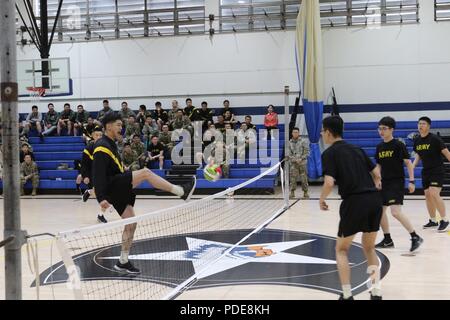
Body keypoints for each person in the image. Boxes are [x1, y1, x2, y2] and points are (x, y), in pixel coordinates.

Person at [92, 112, 196, 273]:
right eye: (118, 125)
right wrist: (101, 198)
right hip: (113, 186)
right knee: (146, 173)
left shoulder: (112, 144)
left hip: (117, 187)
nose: (121, 127)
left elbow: (109, 168)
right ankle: (181, 191)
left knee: (131, 224)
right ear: (108, 126)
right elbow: (97, 174)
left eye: (121, 125)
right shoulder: (101, 145)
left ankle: (122, 261)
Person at [319, 116, 383, 300]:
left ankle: (347, 295)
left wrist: (322, 199)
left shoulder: (329, 153)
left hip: (354, 203)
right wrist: (377, 183)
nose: (322, 135)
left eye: (323, 131)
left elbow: (329, 182)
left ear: (329, 133)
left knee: (341, 249)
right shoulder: (357, 149)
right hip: (374, 201)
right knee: (369, 248)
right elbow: (376, 173)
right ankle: (376, 291)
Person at [375, 117, 423, 251]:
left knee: (395, 212)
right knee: (380, 211)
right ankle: (387, 239)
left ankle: (415, 236)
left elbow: (408, 163)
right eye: (380, 128)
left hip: (396, 182)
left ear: (391, 130)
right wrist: (377, 179)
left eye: (384, 128)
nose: (381, 131)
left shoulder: (398, 145)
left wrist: (412, 181)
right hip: (384, 183)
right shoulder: (379, 147)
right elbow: (378, 165)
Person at [413, 116, 450, 232]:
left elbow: (447, 153)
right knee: (428, 195)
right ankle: (433, 220)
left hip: (437, 170)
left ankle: (444, 219)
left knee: (434, 193)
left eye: (423, 124)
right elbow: (418, 154)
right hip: (426, 171)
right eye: (419, 123)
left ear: (428, 126)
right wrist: (412, 166)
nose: (420, 126)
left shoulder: (435, 139)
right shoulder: (417, 140)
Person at [78, 126, 105, 223]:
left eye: (101, 135)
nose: (99, 137)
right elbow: (84, 164)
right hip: (91, 173)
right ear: (93, 136)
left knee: (105, 193)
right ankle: (101, 215)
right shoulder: (88, 148)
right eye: (97, 135)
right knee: (100, 195)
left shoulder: (105, 146)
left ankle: (88, 192)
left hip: (103, 173)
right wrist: (85, 176)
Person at [288, 127, 310, 199]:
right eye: (294, 132)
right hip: (293, 164)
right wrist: (294, 159)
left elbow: (307, 152)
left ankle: (305, 192)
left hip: (302, 163)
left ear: (299, 133)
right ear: (292, 133)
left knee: (304, 178)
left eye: (296, 132)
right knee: (293, 178)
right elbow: (288, 153)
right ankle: (292, 192)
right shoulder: (289, 143)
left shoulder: (303, 141)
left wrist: (301, 158)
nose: (295, 133)